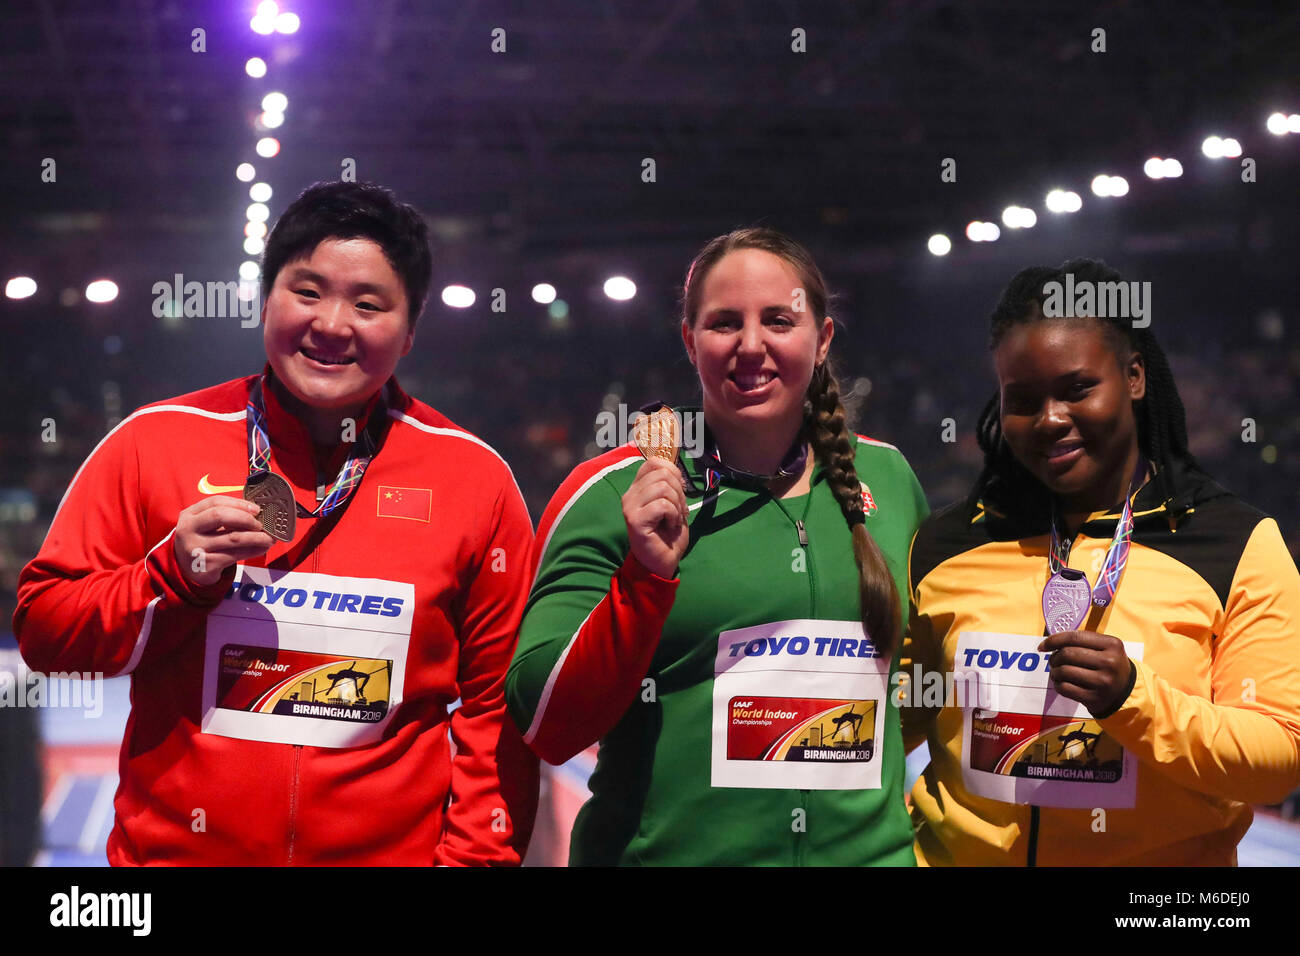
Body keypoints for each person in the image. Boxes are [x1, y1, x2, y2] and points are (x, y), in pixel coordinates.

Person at [13, 181, 538, 865]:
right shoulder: (153, 445)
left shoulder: (476, 479)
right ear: (266, 300)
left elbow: (497, 709)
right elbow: (48, 633)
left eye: (368, 303)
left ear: (410, 332)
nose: (331, 324)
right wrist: (171, 575)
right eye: (308, 291)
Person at [507, 227, 928, 865]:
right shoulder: (612, 495)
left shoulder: (890, 481)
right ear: (690, 340)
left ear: (823, 340)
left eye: (779, 321)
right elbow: (544, 721)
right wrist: (642, 580)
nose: (751, 346)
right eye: (725, 322)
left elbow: (925, 683)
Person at [902, 258, 1300, 865]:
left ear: (1134, 377)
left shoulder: (1234, 544)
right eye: (1023, 399)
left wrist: (1134, 702)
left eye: (1077, 388)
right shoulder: (948, 545)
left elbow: (1280, 757)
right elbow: (887, 726)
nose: (1051, 419)